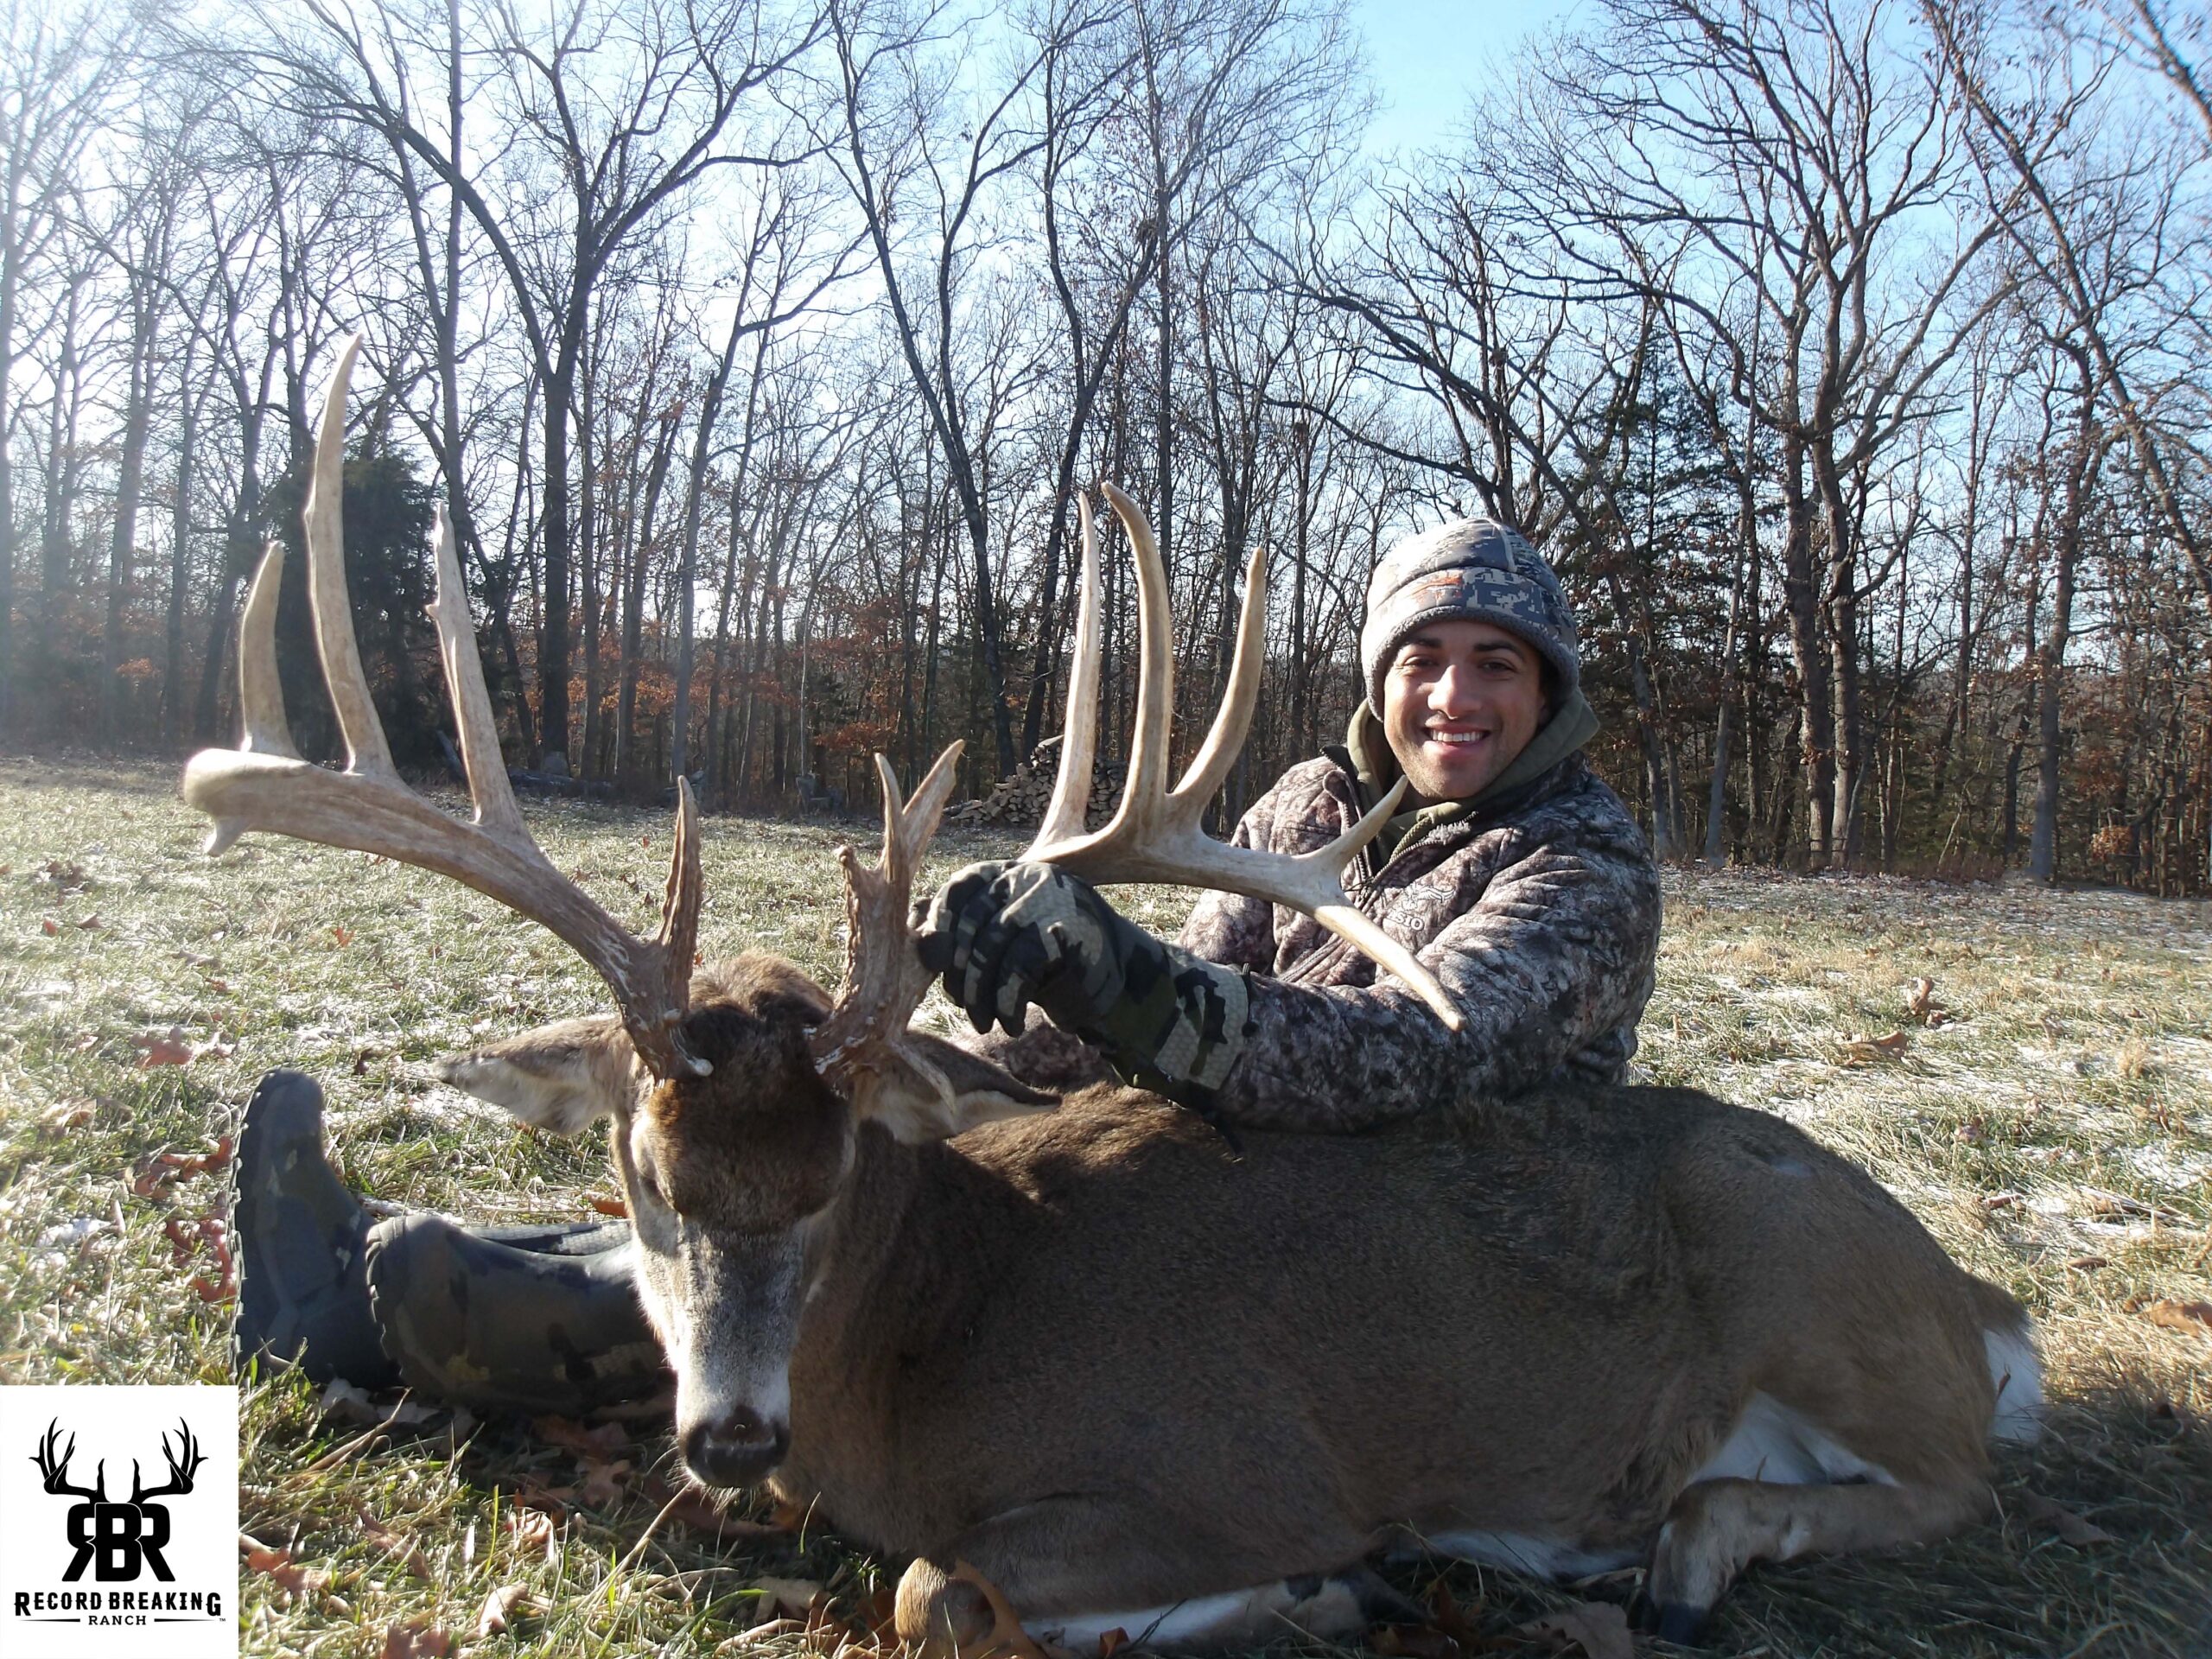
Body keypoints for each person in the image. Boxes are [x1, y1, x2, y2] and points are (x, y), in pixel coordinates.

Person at [233, 517, 1661, 1414]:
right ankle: (379, 1251)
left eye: (1496, 664)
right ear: (1380, 676)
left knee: (890, 1302)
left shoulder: (1582, 870)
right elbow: (1148, 1015)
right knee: (822, 1193)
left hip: (1410, 1275)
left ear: (1548, 688)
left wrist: (1121, 979)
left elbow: (1412, 1062)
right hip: (1221, 1191)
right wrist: (940, 1044)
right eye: (1423, 657)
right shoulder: (1311, 808)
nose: (1453, 694)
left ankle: (380, 1310)